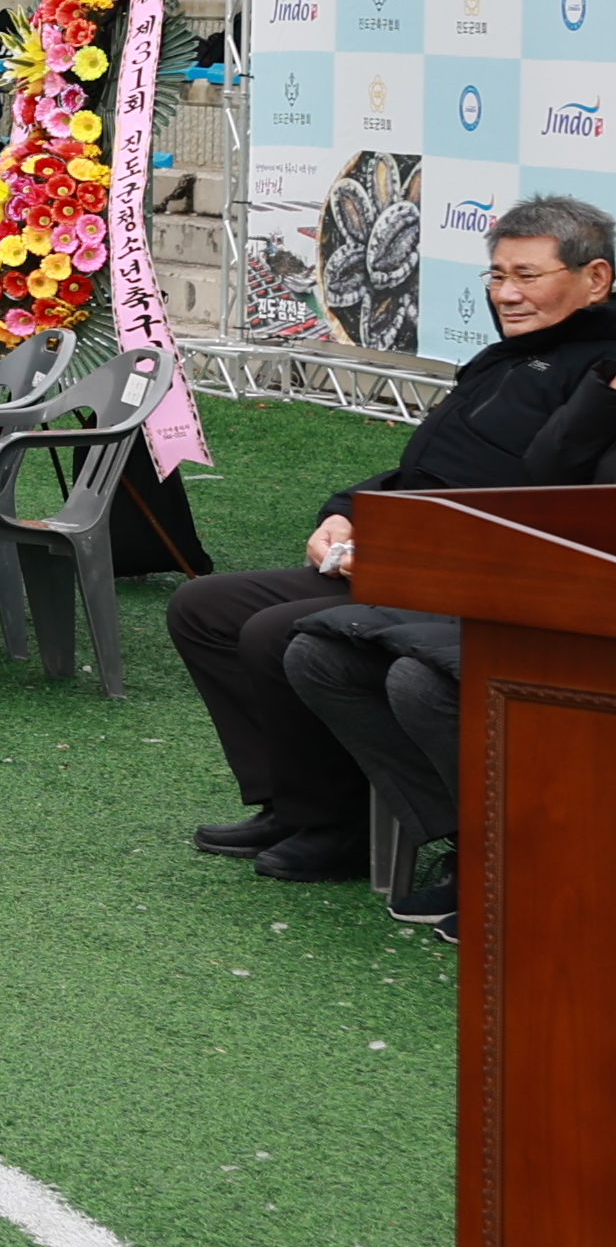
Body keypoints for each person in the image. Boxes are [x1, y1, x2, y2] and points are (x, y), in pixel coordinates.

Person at [167, 196, 616, 877]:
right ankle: (291, 802)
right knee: (204, 608)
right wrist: (344, 512)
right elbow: (419, 468)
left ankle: (342, 824)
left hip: (472, 577)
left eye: (527, 275)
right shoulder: (502, 359)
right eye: (496, 276)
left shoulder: (597, 368)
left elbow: (548, 477)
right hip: (397, 552)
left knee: (278, 633)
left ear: (597, 279)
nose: (507, 293)